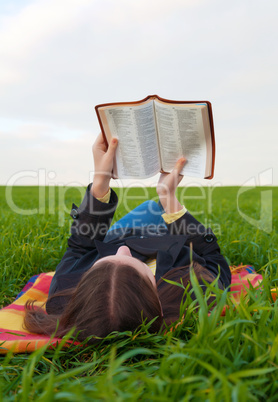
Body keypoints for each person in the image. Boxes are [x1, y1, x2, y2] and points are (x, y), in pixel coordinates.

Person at [24, 134, 231, 342]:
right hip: (166, 239)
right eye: (132, 262)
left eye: (102, 263)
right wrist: (168, 198)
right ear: (154, 291)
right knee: (153, 207)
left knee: (143, 213)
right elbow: (213, 259)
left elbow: (80, 248)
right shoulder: (190, 295)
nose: (123, 250)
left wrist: (100, 183)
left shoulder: (63, 297)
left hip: (119, 235)